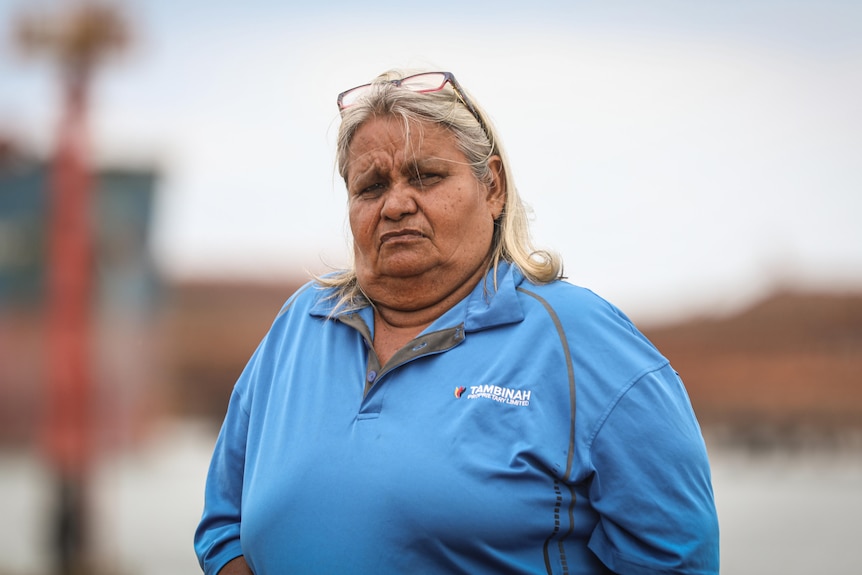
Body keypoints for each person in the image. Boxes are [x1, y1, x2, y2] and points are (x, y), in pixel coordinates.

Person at [194, 69, 720, 575]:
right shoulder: (300, 325)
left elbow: (676, 559)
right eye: (371, 187)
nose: (397, 204)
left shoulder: (581, 340)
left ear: (492, 186)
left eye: (426, 176)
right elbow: (223, 527)